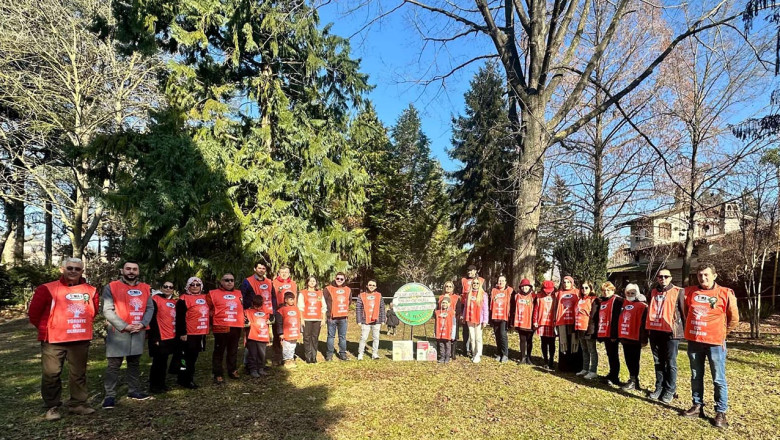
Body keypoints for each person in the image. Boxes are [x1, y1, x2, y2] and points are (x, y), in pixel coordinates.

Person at [28, 257, 98, 420]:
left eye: (77, 269)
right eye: (70, 268)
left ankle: (77, 404)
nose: (73, 271)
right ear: (62, 269)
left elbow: (93, 311)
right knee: (51, 374)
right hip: (53, 340)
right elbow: (34, 314)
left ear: (82, 271)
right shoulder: (47, 288)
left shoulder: (91, 290)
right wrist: (49, 328)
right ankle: (52, 406)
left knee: (78, 374)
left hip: (80, 339)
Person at [681, 264, 739, 429]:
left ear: (715, 275)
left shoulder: (725, 293)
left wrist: (721, 333)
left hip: (715, 343)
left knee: (718, 378)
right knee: (695, 375)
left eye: (706, 275)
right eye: (700, 275)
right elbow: (686, 312)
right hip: (695, 342)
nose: (703, 278)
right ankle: (697, 406)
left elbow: (734, 318)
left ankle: (720, 412)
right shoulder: (690, 292)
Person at [102, 261, 154, 409]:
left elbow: (150, 308)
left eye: (134, 269)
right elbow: (107, 310)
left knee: (134, 363)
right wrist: (124, 326)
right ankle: (110, 395)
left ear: (138, 271)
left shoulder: (145, 288)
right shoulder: (111, 287)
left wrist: (143, 324)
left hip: (138, 331)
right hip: (118, 332)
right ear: (122, 270)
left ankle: (134, 390)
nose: (131, 271)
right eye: (128, 269)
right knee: (113, 365)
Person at [646, 268, 686, 403]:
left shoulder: (678, 291)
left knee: (670, 362)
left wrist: (684, 331)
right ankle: (659, 387)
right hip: (655, 331)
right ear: (657, 278)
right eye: (660, 277)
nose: (663, 279)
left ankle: (670, 389)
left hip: (671, 333)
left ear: (670, 278)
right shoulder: (652, 291)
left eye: (666, 276)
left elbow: (684, 312)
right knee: (658, 361)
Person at [208, 273, 244, 384]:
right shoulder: (213, 293)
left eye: (231, 280)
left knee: (233, 350)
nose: (229, 282)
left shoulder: (239, 293)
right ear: (221, 282)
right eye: (226, 280)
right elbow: (208, 309)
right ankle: (217, 373)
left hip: (236, 326)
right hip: (220, 326)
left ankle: (232, 370)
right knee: (219, 350)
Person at [240, 261, 275, 371]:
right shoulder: (247, 281)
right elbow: (241, 297)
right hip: (251, 315)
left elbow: (273, 297)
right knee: (250, 340)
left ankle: (261, 364)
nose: (261, 270)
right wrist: (244, 314)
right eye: (259, 268)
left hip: (265, 315)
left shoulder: (269, 282)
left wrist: (272, 313)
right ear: (255, 269)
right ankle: (248, 364)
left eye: (263, 268)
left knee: (262, 340)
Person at [176, 277, 209, 389]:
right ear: (188, 286)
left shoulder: (205, 297)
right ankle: (185, 379)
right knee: (185, 358)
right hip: (188, 334)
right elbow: (180, 318)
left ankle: (185, 377)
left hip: (200, 333)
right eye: (192, 285)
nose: (195, 286)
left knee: (193, 357)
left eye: (197, 284)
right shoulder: (183, 299)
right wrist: (182, 333)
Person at [618, 284, 648, 391]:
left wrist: (644, 339)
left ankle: (634, 381)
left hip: (635, 338)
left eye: (633, 293)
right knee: (628, 359)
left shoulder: (642, 306)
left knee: (634, 360)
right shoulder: (624, 303)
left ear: (637, 293)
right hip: (625, 336)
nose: (630, 295)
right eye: (628, 293)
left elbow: (644, 324)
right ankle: (632, 379)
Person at [148, 281, 177, 393]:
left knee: (164, 362)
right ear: (161, 288)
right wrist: (155, 337)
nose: (168, 288)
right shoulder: (155, 299)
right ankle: (154, 386)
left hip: (170, 336)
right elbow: (152, 319)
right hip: (159, 336)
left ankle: (162, 383)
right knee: (157, 362)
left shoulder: (173, 302)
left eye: (170, 287)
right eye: (165, 286)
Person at [596, 281, 624, 386]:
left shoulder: (617, 300)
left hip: (612, 333)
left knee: (614, 355)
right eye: (604, 291)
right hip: (605, 332)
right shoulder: (603, 301)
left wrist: (614, 334)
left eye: (608, 290)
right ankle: (611, 373)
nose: (606, 292)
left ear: (613, 290)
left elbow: (617, 318)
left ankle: (615, 377)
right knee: (609, 354)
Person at [298, 276, 326, 364]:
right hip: (306, 318)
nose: (312, 282)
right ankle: (308, 357)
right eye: (310, 281)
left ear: (316, 282)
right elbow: (300, 307)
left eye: (314, 281)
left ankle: (314, 356)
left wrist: (323, 318)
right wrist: (301, 319)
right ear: (307, 282)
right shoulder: (303, 293)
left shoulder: (320, 293)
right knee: (306, 338)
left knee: (315, 338)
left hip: (317, 319)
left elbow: (324, 307)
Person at [272, 266, 297, 365]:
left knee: (289, 334)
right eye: (282, 272)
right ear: (279, 273)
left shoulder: (293, 284)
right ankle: (277, 357)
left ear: (289, 273)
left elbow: (295, 297)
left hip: (290, 313)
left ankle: (288, 357)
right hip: (278, 311)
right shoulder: (274, 283)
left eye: (286, 272)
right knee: (277, 334)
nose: (284, 274)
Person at [555, 276, 581, 372]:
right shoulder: (559, 293)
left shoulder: (577, 292)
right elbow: (555, 307)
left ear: (572, 283)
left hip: (573, 321)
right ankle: (564, 366)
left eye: (568, 282)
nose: (566, 284)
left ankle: (575, 366)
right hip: (562, 322)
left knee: (574, 342)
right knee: (564, 343)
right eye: (564, 282)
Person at [323, 272, 351, 361]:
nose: (339, 280)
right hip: (332, 317)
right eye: (338, 278)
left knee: (342, 337)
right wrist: (328, 313)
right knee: (331, 336)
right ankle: (329, 354)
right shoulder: (328, 289)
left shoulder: (348, 289)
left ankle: (342, 354)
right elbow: (324, 302)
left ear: (344, 280)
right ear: (335, 278)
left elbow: (349, 301)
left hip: (343, 317)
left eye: (341, 279)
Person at [356, 280, 386, 360]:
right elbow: (358, 308)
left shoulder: (379, 295)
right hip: (365, 320)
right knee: (363, 337)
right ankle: (360, 354)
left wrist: (383, 319)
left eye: (373, 285)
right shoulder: (361, 295)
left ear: (376, 287)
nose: (371, 286)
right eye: (370, 285)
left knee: (376, 337)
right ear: (367, 286)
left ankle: (374, 354)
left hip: (377, 320)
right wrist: (358, 320)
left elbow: (382, 307)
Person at [575, 281, 599, 380]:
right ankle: (585, 368)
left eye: (586, 288)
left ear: (590, 289)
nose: (584, 290)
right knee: (584, 350)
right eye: (582, 288)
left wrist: (591, 328)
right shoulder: (579, 299)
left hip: (588, 328)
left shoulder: (593, 299)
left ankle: (593, 370)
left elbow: (593, 316)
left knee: (591, 350)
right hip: (579, 327)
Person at [459, 265, 484, 357]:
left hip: (477, 310)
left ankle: (478, 351)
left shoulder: (481, 280)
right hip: (466, 307)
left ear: (475, 271)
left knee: (477, 334)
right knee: (466, 331)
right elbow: (460, 295)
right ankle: (466, 350)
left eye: (471, 271)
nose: (469, 272)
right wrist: (462, 312)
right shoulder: (463, 280)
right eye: (468, 271)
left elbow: (484, 295)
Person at [245, 295, 272, 377]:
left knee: (262, 354)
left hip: (262, 336)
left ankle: (261, 368)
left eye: (259, 304)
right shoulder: (248, 311)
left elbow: (272, 319)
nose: (257, 306)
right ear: (252, 303)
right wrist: (246, 323)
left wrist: (270, 320)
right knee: (252, 354)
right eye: (256, 304)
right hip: (252, 336)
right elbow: (243, 320)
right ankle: (253, 369)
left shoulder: (266, 311)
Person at [464, 278, 489, 363]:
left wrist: (485, 320)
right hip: (469, 318)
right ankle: (474, 353)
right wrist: (464, 317)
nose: (475, 284)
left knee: (478, 337)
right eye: (474, 283)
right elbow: (465, 307)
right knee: (472, 337)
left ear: (480, 284)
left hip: (479, 319)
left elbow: (485, 309)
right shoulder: (469, 294)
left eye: (477, 283)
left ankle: (478, 353)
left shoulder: (483, 294)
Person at [511, 278, 535, 365]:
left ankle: (529, 357)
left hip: (530, 322)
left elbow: (536, 309)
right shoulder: (517, 296)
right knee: (522, 340)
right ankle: (522, 357)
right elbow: (513, 308)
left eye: (526, 286)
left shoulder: (533, 296)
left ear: (530, 287)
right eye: (523, 286)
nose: (525, 288)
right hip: (520, 322)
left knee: (529, 340)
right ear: (520, 287)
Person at [534, 280, 557, 370]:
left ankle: (551, 360)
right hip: (542, 322)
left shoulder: (556, 296)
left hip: (552, 323)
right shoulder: (539, 296)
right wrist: (535, 321)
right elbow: (536, 309)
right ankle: (545, 360)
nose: (548, 292)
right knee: (544, 342)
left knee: (552, 343)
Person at [275, 292, 302, 368]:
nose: (292, 301)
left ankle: (291, 358)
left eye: (293, 300)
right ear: (285, 300)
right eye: (290, 299)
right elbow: (279, 322)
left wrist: (300, 330)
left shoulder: (296, 309)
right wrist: (280, 332)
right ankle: (286, 360)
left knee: (293, 345)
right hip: (286, 332)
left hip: (294, 331)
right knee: (287, 346)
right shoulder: (281, 310)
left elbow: (298, 320)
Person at [490, 275, 513, 363]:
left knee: (503, 335)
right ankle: (499, 353)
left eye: (503, 281)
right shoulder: (494, 291)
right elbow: (490, 303)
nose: (501, 282)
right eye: (499, 280)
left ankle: (505, 354)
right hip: (495, 316)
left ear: (506, 282)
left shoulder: (509, 291)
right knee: (497, 335)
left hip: (504, 317)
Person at [438, 281, 460, 359]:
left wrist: (454, 313)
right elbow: (438, 309)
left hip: (453, 319)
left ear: (452, 288)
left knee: (453, 336)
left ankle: (453, 353)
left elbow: (459, 309)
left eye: (450, 286)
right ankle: (442, 353)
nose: (448, 288)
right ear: (444, 287)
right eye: (447, 286)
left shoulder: (456, 297)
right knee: (442, 335)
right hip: (443, 319)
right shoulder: (441, 297)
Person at [435, 297, 456, 363]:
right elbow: (435, 324)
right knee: (441, 345)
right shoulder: (437, 312)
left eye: (446, 303)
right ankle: (442, 357)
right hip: (440, 332)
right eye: (443, 303)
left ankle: (447, 357)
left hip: (447, 333)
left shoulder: (451, 312)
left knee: (448, 345)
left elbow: (454, 324)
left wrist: (453, 334)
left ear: (449, 304)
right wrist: (435, 332)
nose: (444, 304)